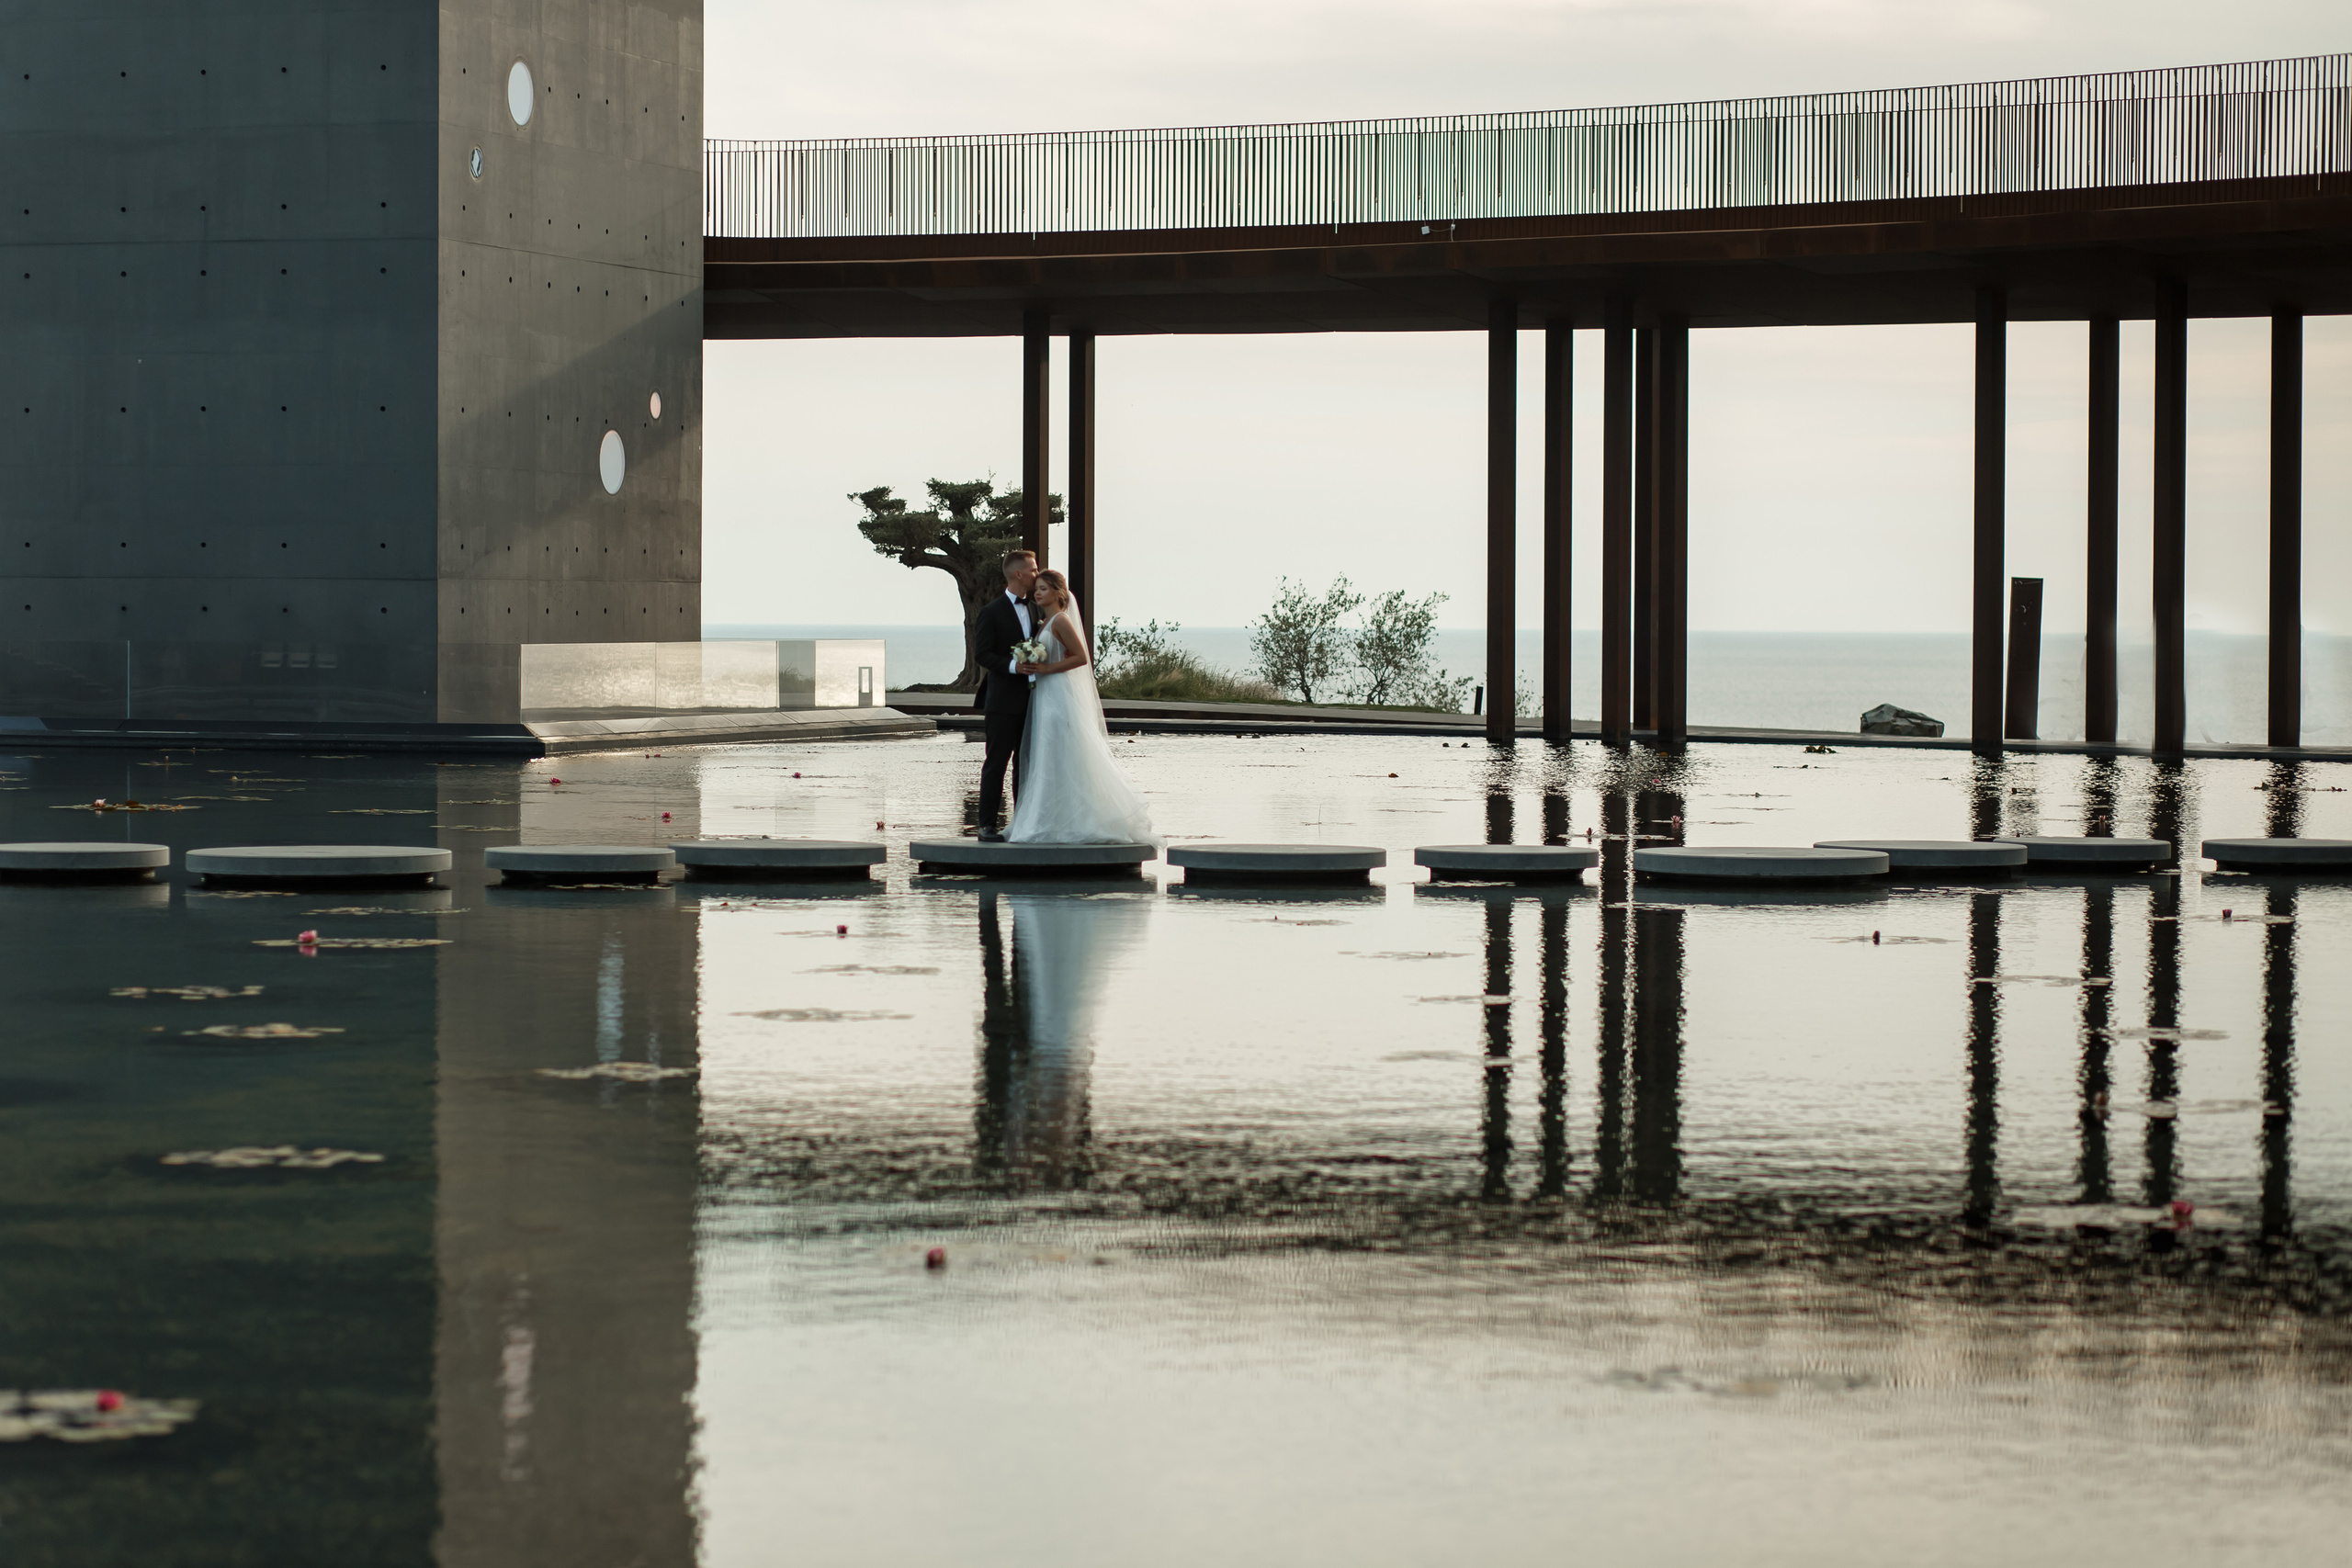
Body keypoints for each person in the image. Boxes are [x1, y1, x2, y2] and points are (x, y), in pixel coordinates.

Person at [1007, 570, 1160, 847]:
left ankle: (1073, 821)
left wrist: (1047, 668)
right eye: (1037, 588)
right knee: (1048, 755)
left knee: (1058, 753)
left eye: (1043, 588)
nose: (1037, 592)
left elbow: (1080, 657)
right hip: (1044, 694)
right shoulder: (1045, 622)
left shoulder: (1061, 621)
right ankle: (1048, 818)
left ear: (1057, 592)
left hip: (1057, 696)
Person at [972, 548, 1040, 840]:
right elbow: (983, 654)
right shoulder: (991, 612)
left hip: (1035, 700)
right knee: (997, 762)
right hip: (1001, 701)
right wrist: (1013, 666)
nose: (1038, 574)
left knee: (1025, 764)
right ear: (1018, 574)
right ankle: (987, 824)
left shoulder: (1039, 608)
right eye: (1033, 570)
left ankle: (1021, 822)